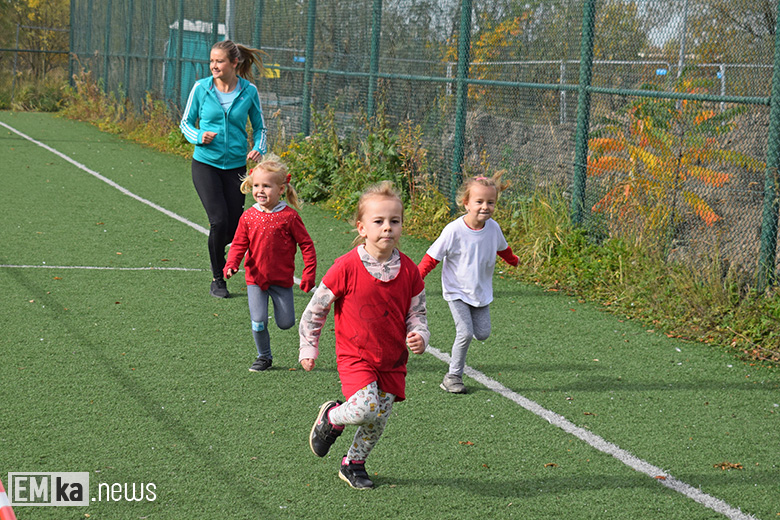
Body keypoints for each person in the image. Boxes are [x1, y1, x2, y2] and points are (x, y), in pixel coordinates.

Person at [299, 181, 429, 489]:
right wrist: (308, 347)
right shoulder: (346, 266)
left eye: (394, 221)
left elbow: (418, 314)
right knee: (366, 406)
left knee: (377, 420)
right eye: (379, 221)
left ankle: (353, 464)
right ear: (362, 227)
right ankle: (331, 417)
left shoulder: (410, 271)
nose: (387, 228)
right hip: (356, 354)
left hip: (392, 359)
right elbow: (316, 309)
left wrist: (420, 335)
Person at [180, 39, 268, 298]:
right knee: (218, 221)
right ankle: (218, 279)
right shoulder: (200, 88)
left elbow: (260, 127)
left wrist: (258, 148)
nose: (214, 66)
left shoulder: (249, 91)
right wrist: (198, 136)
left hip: (236, 168)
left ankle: (223, 248)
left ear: (234, 63)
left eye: (219, 61)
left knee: (234, 226)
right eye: (211, 61)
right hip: (206, 164)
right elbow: (186, 122)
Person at [418, 173, 519, 394]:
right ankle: (452, 376)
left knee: (482, 333)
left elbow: (503, 249)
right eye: (479, 202)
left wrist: (514, 261)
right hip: (456, 291)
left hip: (480, 291)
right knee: (464, 333)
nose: (485, 207)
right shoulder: (454, 230)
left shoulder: (493, 228)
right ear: (466, 203)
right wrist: (416, 278)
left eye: (490, 202)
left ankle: (458, 362)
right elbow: (432, 257)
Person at [224, 156, 316, 372]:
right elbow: (238, 244)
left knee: (286, 323)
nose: (260, 190)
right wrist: (231, 264)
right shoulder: (248, 217)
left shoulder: (289, 217)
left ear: (281, 189)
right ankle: (264, 356)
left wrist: (309, 274)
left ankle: (284, 321)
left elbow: (307, 245)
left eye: (266, 186)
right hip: (255, 279)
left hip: (281, 281)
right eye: (256, 185)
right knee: (258, 321)